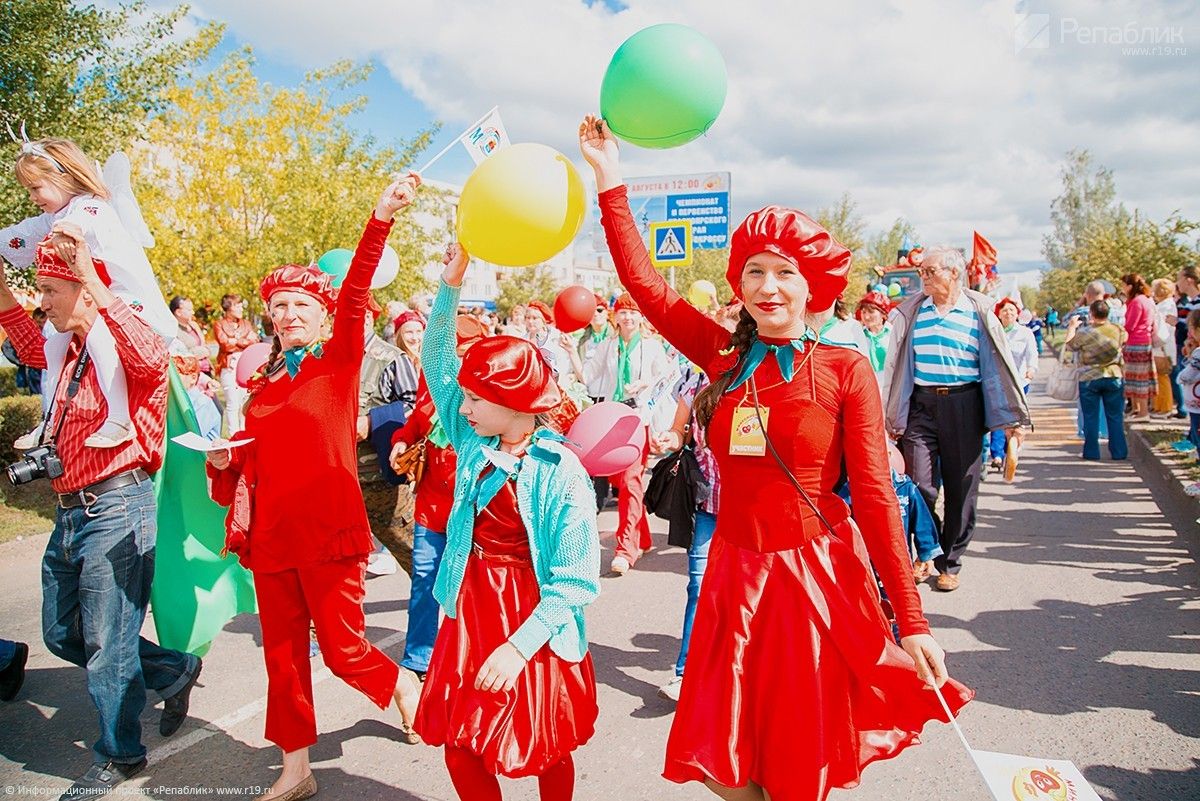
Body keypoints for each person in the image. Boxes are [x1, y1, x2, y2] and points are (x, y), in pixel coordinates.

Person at [582, 113, 970, 801]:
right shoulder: (725, 357)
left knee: (796, 762)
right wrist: (610, 177)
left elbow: (878, 497)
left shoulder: (846, 368)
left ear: (811, 283)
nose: (768, 286)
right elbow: (647, 285)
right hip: (734, 573)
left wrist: (909, 620)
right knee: (727, 759)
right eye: (754, 271)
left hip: (811, 577)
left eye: (784, 272)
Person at [205, 176, 424, 801]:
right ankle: (296, 768)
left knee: (345, 650)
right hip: (271, 537)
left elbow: (356, 292)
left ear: (324, 316)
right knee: (282, 657)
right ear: (268, 321)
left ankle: (403, 688)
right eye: (279, 308)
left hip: (328, 530)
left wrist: (379, 216)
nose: (289, 315)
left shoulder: (338, 364)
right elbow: (248, 465)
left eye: (302, 305)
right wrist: (222, 461)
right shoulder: (261, 391)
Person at [0, 228, 200, 799]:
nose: (42, 302)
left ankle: (120, 753)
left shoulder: (125, 345)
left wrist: (88, 268)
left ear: (87, 292)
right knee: (63, 632)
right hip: (70, 510)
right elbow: (22, 332)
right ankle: (171, 670)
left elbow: (151, 353)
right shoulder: (64, 348)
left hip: (116, 504)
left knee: (107, 640)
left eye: (51, 290)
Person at [414, 242, 600, 801]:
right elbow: (438, 364)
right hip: (472, 605)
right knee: (460, 739)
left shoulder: (562, 471)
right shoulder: (475, 436)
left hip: (533, 611)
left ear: (512, 400)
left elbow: (574, 581)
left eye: (475, 399)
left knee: (547, 742)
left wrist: (520, 647)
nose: (461, 409)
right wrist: (451, 282)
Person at [2, 137, 176, 450]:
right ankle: (52, 417)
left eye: (36, 187)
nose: (31, 197)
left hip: (124, 300)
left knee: (99, 332)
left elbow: (79, 223)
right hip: (96, 301)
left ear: (64, 176)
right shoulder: (53, 218)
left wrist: (68, 231)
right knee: (53, 344)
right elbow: (21, 234)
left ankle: (120, 418)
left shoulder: (92, 206)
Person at [882, 246, 1030, 592]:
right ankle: (926, 552)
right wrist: (890, 415)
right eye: (922, 273)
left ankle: (949, 562)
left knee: (962, 490)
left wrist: (1012, 419)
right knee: (919, 485)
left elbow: (1003, 367)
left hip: (965, 405)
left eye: (930, 272)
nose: (924, 278)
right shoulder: (912, 312)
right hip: (920, 405)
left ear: (953, 273)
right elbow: (894, 367)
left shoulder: (978, 312)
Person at [385, 315, 484, 683]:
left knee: (472, 586)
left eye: (465, 352)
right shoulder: (435, 381)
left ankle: (472, 654)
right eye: (453, 352)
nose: (458, 360)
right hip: (430, 504)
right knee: (425, 579)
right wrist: (399, 441)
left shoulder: (489, 388)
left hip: (474, 507)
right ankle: (419, 659)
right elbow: (416, 422)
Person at [574, 292, 674, 575]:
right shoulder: (607, 345)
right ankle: (641, 537)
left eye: (633, 312)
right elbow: (588, 377)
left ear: (640, 317)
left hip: (637, 418)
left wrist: (645, 382)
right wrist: (571, 351)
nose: (628, 317)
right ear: (615, 317)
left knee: (631, 481)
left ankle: (625, 548)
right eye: (623, 312)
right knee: (621, 482)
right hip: (611, 419)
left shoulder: (652, 347)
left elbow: (667, 379)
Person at [649, 368, 719, 704]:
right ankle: (686, 674)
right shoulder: (697, 379)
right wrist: (670, 438)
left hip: (752, 508)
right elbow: (680, 430)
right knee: (699, 587)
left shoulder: (760, 372)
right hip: (707, 502)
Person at [1064, 301, 1128, 460]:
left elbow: (1070, 346)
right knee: (1115, 416)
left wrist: (1072, 327)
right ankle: (1119, 452)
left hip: (1089, 377)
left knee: (1090, 417)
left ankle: (1091, 452)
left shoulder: (1085, 332)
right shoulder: (1118, 330)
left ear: (1091, 313)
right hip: (1114, 375)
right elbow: (1124, 342)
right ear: (1108, 314)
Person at [985, 298, 1037, 472]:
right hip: (997, 383)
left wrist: (1031, 370)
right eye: (1005, 310)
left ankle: (1012, 452)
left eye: (1012, 311)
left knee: (1015, 419)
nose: (1008, 313)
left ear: (1017, 314)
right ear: (999, 314)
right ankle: (997, 455)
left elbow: (1032, 354)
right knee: (999, 418)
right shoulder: (993, 332)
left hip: (1018, 383)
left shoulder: (1024, 333)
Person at [213, 293, 258, 435]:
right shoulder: (219, 324)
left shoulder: (246, 323)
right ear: (228, 307)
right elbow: (225, 344)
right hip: (229, 365)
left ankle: (245, 432)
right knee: (232, 402)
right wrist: (243, 340)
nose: (240, 308)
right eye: (237, 305)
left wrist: (235, 340)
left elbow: (254, 340)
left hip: (245, 365)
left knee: (245, 400)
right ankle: (234, 435)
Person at [1120, 273, 1156, 421]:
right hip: (1144, 341)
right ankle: (1136, 409)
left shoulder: (1136, 302)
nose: (1122, 288)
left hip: (1136, 342)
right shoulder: (1145, 300)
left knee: (1137, 378)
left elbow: (1130, 325)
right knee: (1135, 377)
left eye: (1123, 285)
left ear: (1130, 286)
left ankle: (1143, 412)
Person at [1170, 266, 1200, 418]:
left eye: (1179, 278)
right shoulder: (1189, 303)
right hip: (1186, 348)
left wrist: (1177, 322)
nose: (1177, 283)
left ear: (1189, 280)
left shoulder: (1197, 302)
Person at [1150, 278, 1178, 416]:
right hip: (1160, 345)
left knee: (1163, 377)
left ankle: (1165, 407)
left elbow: (1163, 327)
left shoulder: (1166, 306)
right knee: (1158, 377)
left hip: (1162, 345)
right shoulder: (1164, 304)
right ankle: (1158, 405)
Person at [169, 296, 211, 375]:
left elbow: (205, 346)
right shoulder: (174, 331)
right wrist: (202, 351)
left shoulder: (194, 325)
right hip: (190, 373)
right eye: (189, 310)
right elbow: (184, 354)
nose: (192, 312)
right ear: (178, 312)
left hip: (206, 370)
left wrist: (203, 350)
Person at [855, 290, 892, 379]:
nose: (866, 317)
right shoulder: (857, 336)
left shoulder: (894, 334)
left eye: (871, 312)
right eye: (863, 312)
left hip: (890, 387)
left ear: (883, 314)